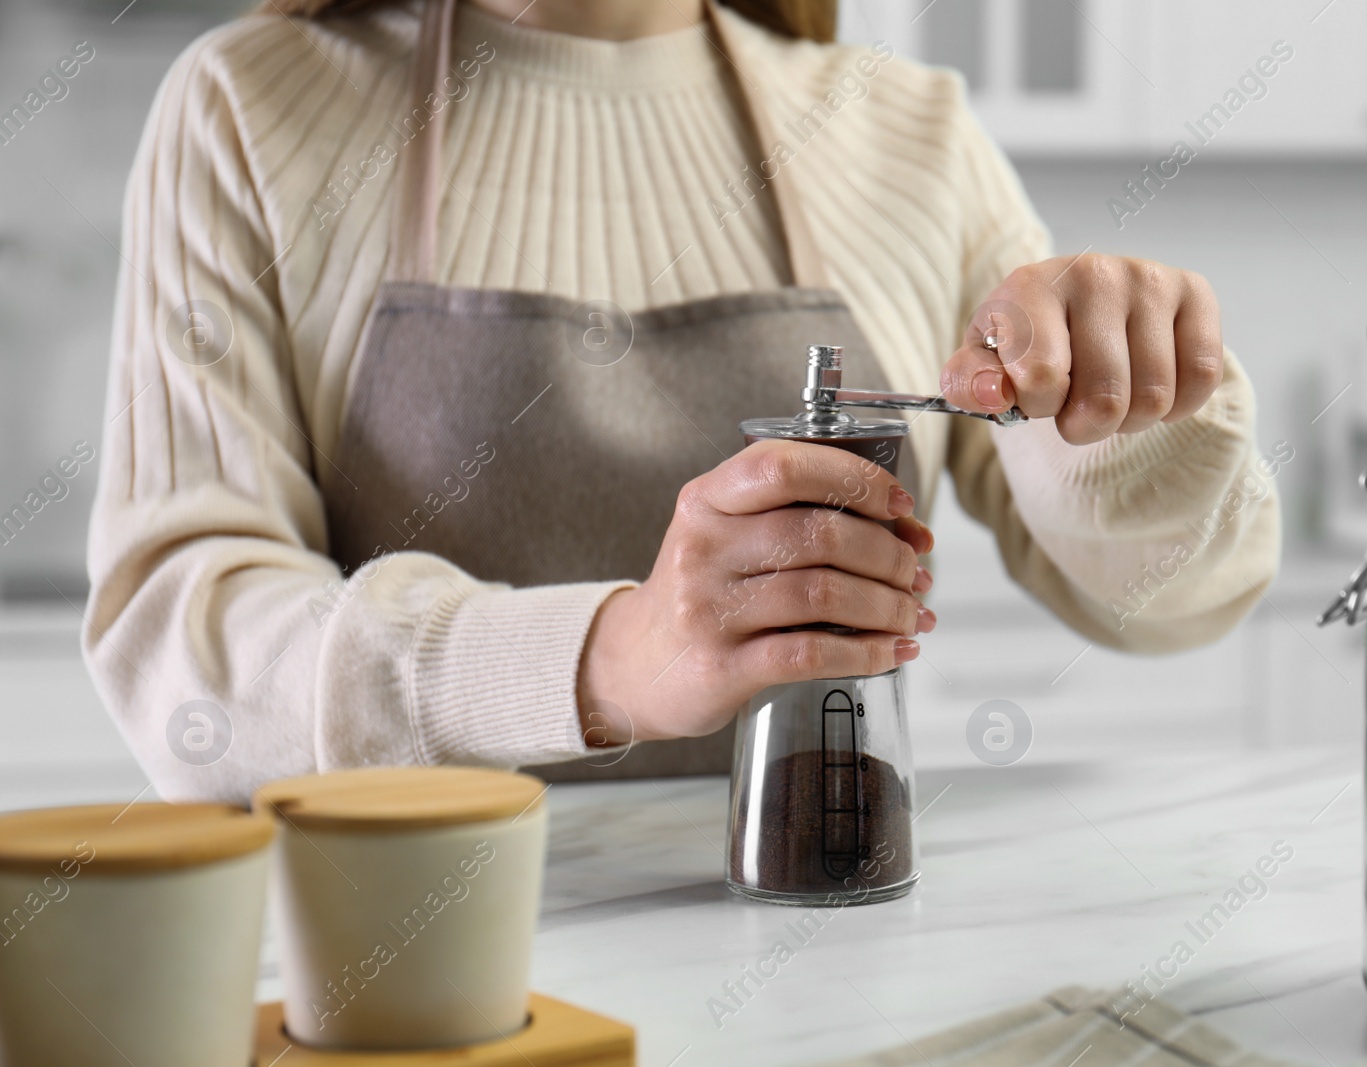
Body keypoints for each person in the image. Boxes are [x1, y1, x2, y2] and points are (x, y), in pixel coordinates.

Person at [84, 0, 1280, 801]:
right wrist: (609, 658)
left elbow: (1166, 604)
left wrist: (1128, 420)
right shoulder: (248, 109)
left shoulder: (908, 134)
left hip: (830, 968)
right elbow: (183, 655)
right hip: (421, 972)